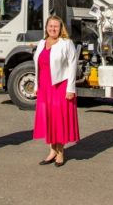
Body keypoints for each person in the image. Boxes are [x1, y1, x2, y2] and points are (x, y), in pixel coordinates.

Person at [33, 15, 80, 167]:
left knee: (59, 119)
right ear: (46, 27)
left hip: (60, 86)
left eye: (56, 26)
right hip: (44, 86)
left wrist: (70, 88)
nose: (53, 29)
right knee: (48, 118)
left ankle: (60, 152)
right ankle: (52, 150)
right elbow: (37, 66)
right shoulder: (41, 43)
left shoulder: (66, 43)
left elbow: (72, 65)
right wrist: (36, 86)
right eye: (50, 26)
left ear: (61, 28)